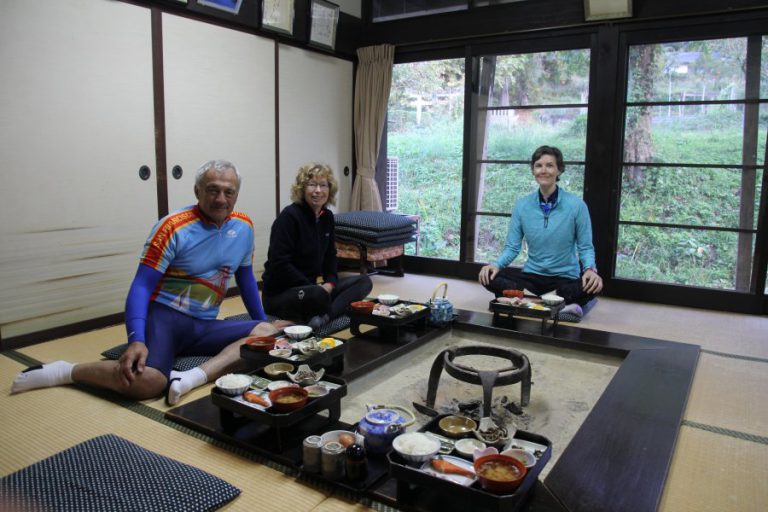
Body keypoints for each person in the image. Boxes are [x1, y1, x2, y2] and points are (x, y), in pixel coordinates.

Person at [11, 159, 287, 404]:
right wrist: (136, 339)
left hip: (205, 323)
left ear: (237, 195)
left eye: (229, 192)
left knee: (269, 335)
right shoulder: (172, 227)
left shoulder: (243, 226)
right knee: (149, 383)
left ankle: (191, 377)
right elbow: (141, 286)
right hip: (165, 318)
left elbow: (246, 278)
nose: (220, 199)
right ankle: (66, 371)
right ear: (197, 191)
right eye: (212, 189)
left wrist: (263, 319)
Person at [478, 145, 603, 319]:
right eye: (538, 165)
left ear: (559, 170)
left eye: (550, 165)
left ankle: (524, 300)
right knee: (489, 276)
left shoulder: (577, 206)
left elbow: (585, 247)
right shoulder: (522, 206)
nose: (543, 170)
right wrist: (496, 265)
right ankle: (557, 303)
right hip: (531, 278)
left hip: (564, 279)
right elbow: (512, 247)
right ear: (533, 170)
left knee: (593, 285)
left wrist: (590, 269)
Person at [261, 163, 372, 330]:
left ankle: (324, 317)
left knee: (364, 281)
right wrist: (315, 288)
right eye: (312, 184)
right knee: (318, 295)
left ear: (330, 190)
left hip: (314, 289)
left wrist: (330, 283)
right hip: (281, 294)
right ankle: (320, 311)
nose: (318, 190)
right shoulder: (289, 217)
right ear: (302, 189)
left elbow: (330, 256)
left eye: (323, 185)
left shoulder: (327, 217)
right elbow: (280, 263)